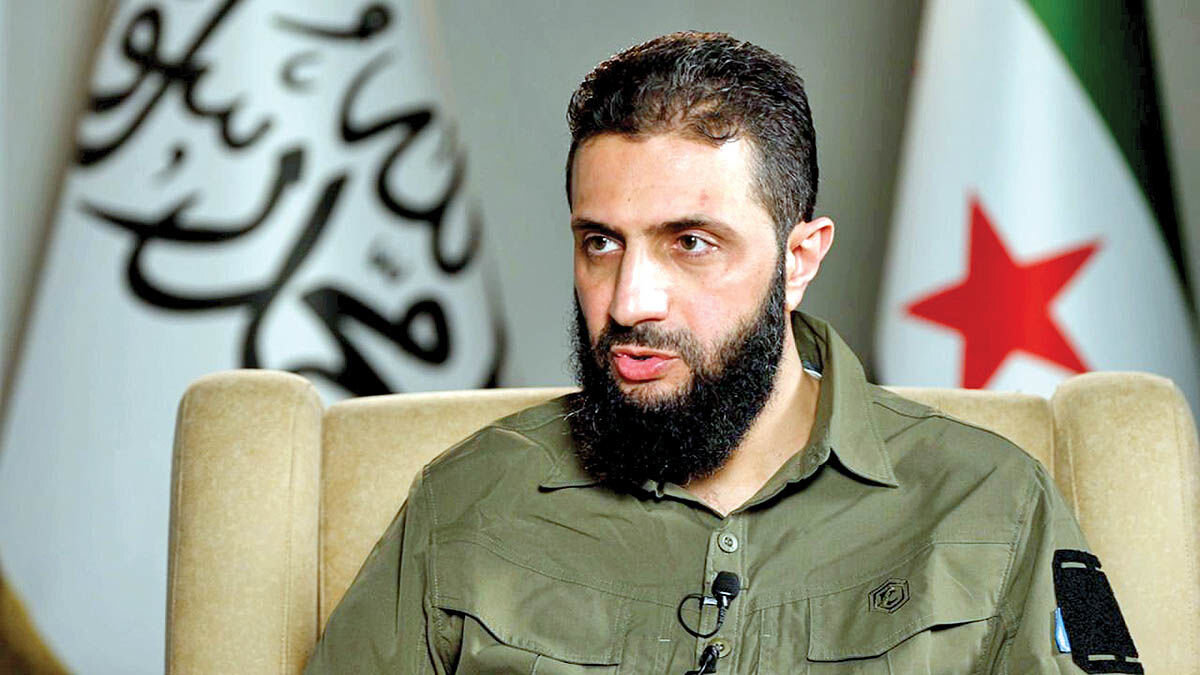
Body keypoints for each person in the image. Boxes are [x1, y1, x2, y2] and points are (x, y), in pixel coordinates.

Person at [306, 31, 1140, 673]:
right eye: (601, 242)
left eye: (691, 243)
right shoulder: (466, 501)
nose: (629, 301)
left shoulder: (995, 504)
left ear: (799, 260)